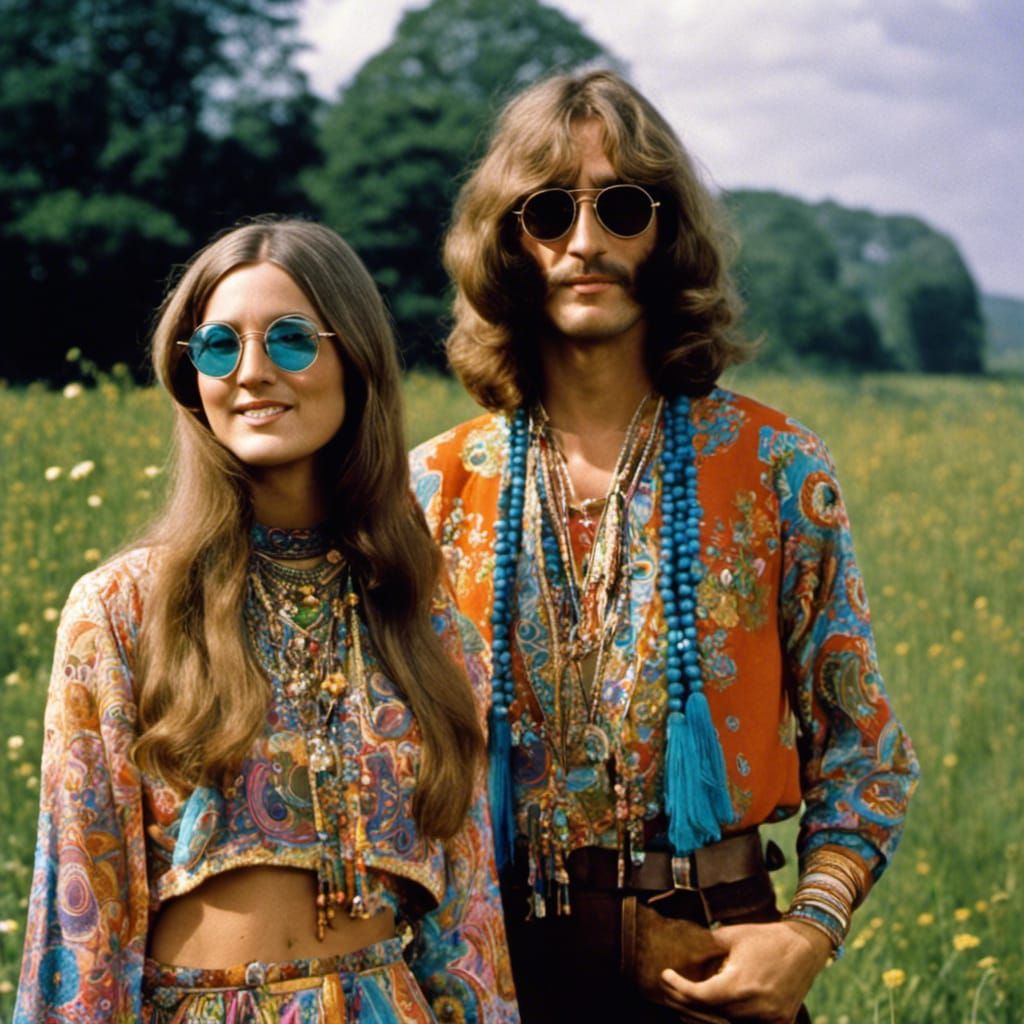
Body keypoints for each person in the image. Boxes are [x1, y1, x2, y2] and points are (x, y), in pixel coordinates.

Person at [410, 70, 919, 1023]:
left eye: (625, 207)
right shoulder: (428, 488)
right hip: (489, 968)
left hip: (712, 955)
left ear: (669, 232)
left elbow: (867, 750)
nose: (586, 242)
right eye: (549, 211)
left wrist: (809, 931)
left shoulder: (778, 466)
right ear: (508, 241)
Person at [15, 219, 518, 1023]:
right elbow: (78, 922)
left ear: (353, 358)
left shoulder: (432, 634)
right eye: (217, 346)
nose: (251, 373)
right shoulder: (121, 612)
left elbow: (467, 938)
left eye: (290, 340)